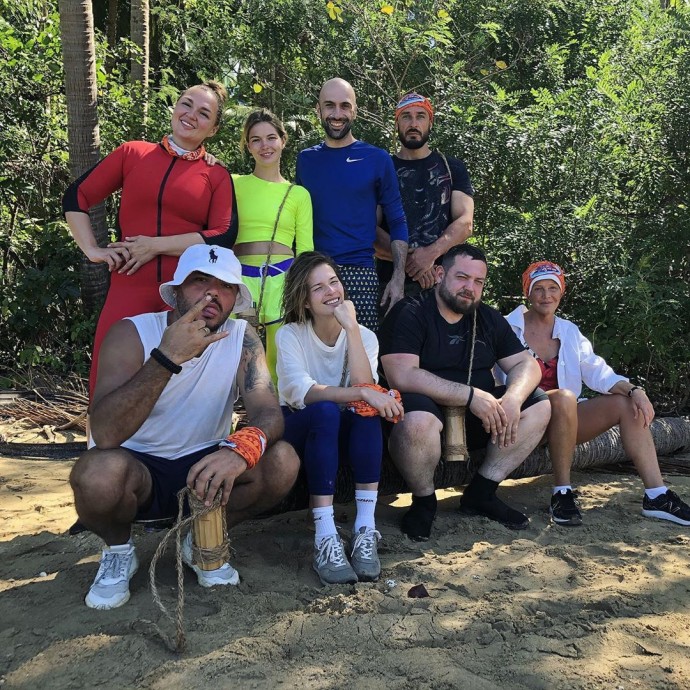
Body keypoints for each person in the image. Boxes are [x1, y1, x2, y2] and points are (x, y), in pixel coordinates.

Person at [69, 244, 300, 610]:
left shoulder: (242, 337)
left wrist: (240, 451)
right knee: (96, 475)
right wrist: (167, 357)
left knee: (282, 461)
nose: (212, 294)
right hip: (138, 468)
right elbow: (106, 433)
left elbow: (268, 413)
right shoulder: (132, 332)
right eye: (200, 281)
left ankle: (203, 538)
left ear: (236, 297)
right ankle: (118, 550)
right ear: (176, 290)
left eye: (225, 286)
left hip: (206, 468)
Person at [63, 81, 238, 399]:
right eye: (186, 104)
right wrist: (92, 250)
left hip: (185, 295)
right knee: (109, 384)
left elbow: (223, 236)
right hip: (128, 286)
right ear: (175, 107)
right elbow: (77, 195)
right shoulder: (133, 153)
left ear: (213, 129)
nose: (191, 115)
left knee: (178, 388)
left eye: (204, 113)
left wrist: (154, 246)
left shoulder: (216, 175)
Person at [499, 260, 690, 527]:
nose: (546, 295)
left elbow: (599, 373)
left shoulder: (569, 331)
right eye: (538, 288)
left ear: (562, 291)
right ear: (527, 292)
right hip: (523, 421)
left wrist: (635, 390)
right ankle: (562, 492)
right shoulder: (505, 327)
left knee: (626, 404)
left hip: (565, 422)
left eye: (553, 288)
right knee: (564, 398)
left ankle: (657, 495)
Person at [379, 244, 551, 540]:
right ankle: (424, 501)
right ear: (440, 274)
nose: (470, 288)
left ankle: (482, 492)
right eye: (462, 277)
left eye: (478, 281)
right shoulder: (410, 312)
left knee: (539, 405)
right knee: (418, 422)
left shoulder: (488, 318)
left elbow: (526, 364)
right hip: (424, 419)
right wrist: (470, 395)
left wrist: (513, 398)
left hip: (478, 419)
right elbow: (402, 374)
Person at [275, 252, 404, 584]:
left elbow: (365, 388)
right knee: (326, 410)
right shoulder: (290, 334)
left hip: (346, 435)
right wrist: (361, 393)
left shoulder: (365, 336)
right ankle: (325, 536)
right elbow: (301, 393)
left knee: (366, 412)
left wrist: (353, 329)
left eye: (334, 282)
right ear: (304, 300)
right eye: (318, 288)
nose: (331, 291)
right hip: (302, 429)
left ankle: (365, 528)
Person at [296, 78, 409, 332]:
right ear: (318, 110)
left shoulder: (377, 159)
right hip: (314, 275)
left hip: (361, 275)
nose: (337, 114)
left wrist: (398, 277)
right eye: (330, 105)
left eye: (345, 106)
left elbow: (397, 220)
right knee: (316, 352)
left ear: (355, 110)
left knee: (363, 352)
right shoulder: (305, 160)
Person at [232, 108, 313, 382]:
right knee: (237, 354)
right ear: (248, 146)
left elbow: (305, 250)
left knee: (279, 359)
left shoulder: (298, 194)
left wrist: (300, 289)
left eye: (271, 138)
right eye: (255, 140)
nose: (264, 146)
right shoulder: (233, 183)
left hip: (282, 279)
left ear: (283, 140)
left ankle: (278, 407)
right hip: (240, 280)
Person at [376, 92, 475, 302]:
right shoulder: (381, 170)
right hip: (392, 287)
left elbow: (465, 223)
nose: (413, 123)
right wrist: (412, 262)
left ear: (430, 122)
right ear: (397, 123)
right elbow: (368, 228)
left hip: (445, 286)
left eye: (420, 116)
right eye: (406, 117)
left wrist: (430, 254)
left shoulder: (452, 168)